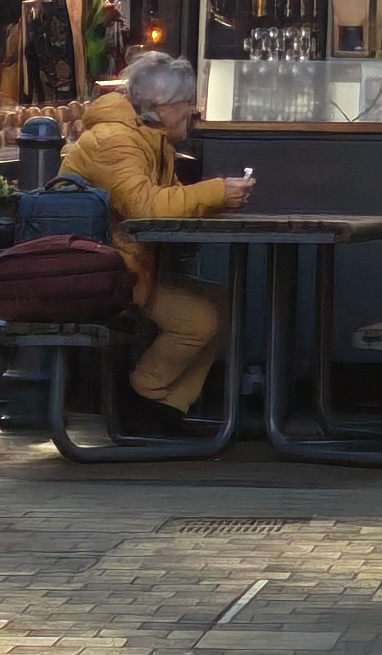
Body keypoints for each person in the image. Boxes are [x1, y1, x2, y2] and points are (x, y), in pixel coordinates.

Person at [59, 50, 251, 415]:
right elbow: (145, 208)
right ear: (161, 106)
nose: (193, 111)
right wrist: (215, 192)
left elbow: (168, 201)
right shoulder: (116, 141)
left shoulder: (149, 139)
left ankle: (170, 408)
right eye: (187, 102)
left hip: (132, 268)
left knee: (222, 304)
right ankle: (145, 394)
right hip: (104, 274)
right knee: (199, 320)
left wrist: (221, 200)